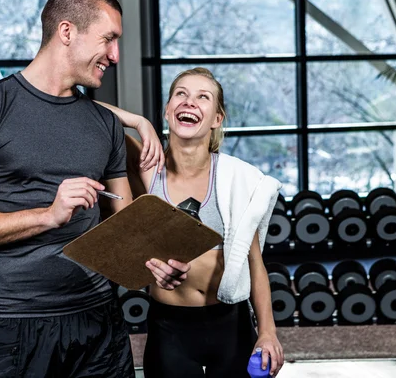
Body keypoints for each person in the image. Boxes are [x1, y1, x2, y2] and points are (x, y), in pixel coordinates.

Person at [0, 0, 188, 377]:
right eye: (108, 39)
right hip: (13, 326)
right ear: (67, 31)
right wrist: (48, 215)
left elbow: (124, 227)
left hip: (100, 325)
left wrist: (153, 265)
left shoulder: (104, 124)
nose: (115, 55)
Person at [101, 67, 285, 377]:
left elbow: (255, 263)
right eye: (181, 94)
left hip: (230, 323)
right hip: (169, 327)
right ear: (167, 110)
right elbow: (84, 109)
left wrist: (268, 332)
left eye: (203, 97)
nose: (190, 102)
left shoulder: (236, 180)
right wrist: (138, 121)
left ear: (217, 118)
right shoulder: (147, 168)